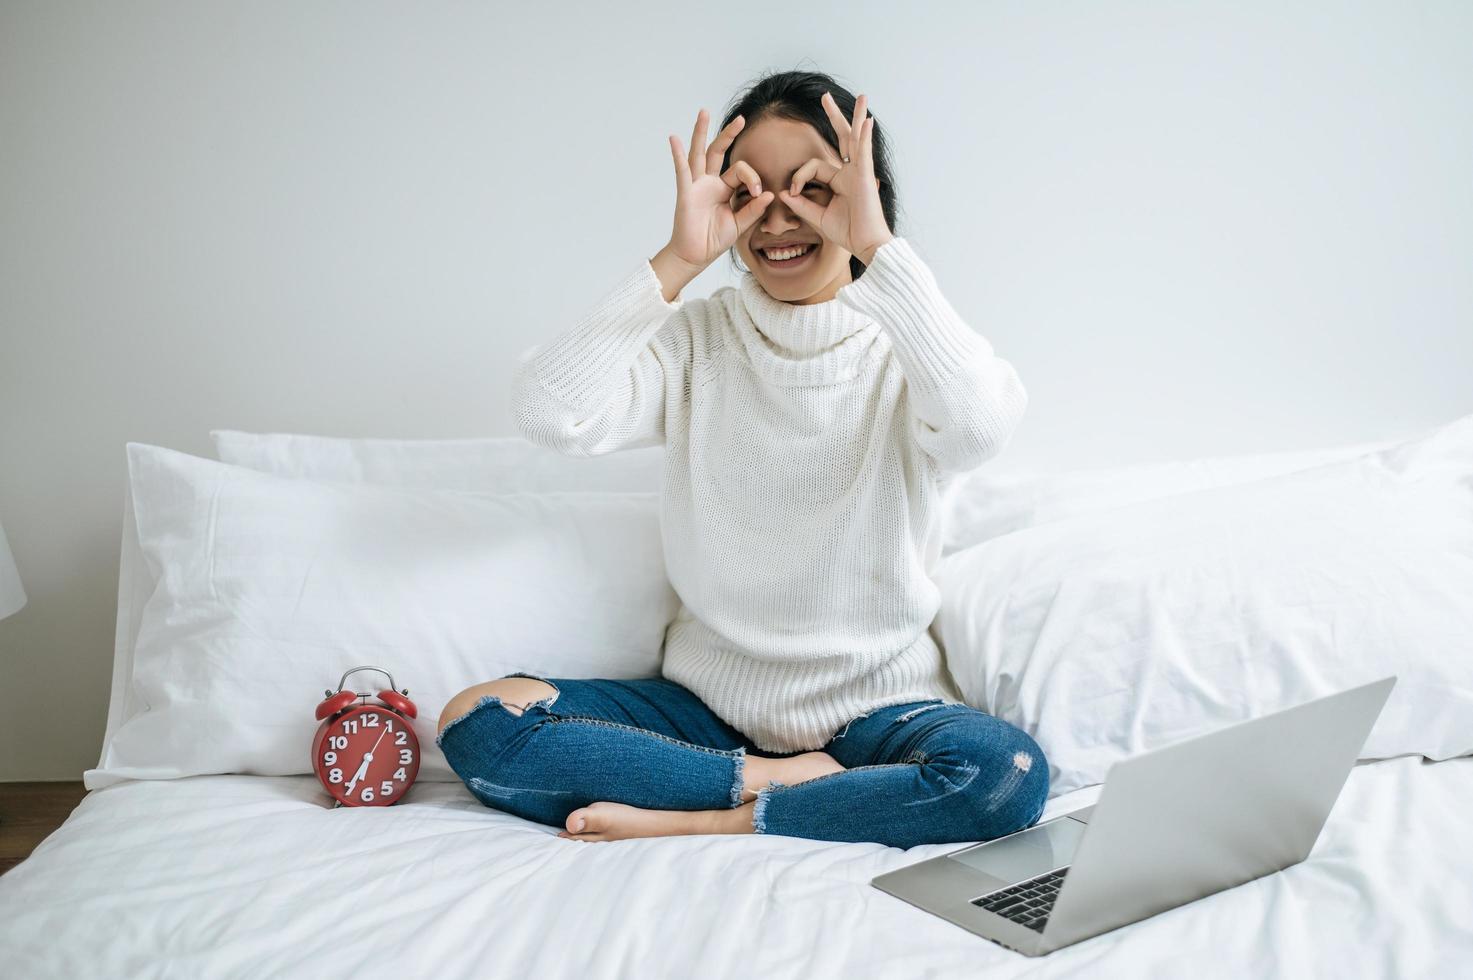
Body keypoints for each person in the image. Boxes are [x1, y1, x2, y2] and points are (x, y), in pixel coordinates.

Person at [436, 69, 1047, 849]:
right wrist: (677, 260)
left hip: (876, 715)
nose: (778, 217)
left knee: (1005, 774)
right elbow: (553, 414)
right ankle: (768, 786)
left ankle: (711, 818)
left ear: (863, 196)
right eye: (748, 192)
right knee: (478, 724)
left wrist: (877, 247)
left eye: (813, 188)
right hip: (702, 714)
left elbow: (977, 427)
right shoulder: (699, 340)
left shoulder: (909, 345)